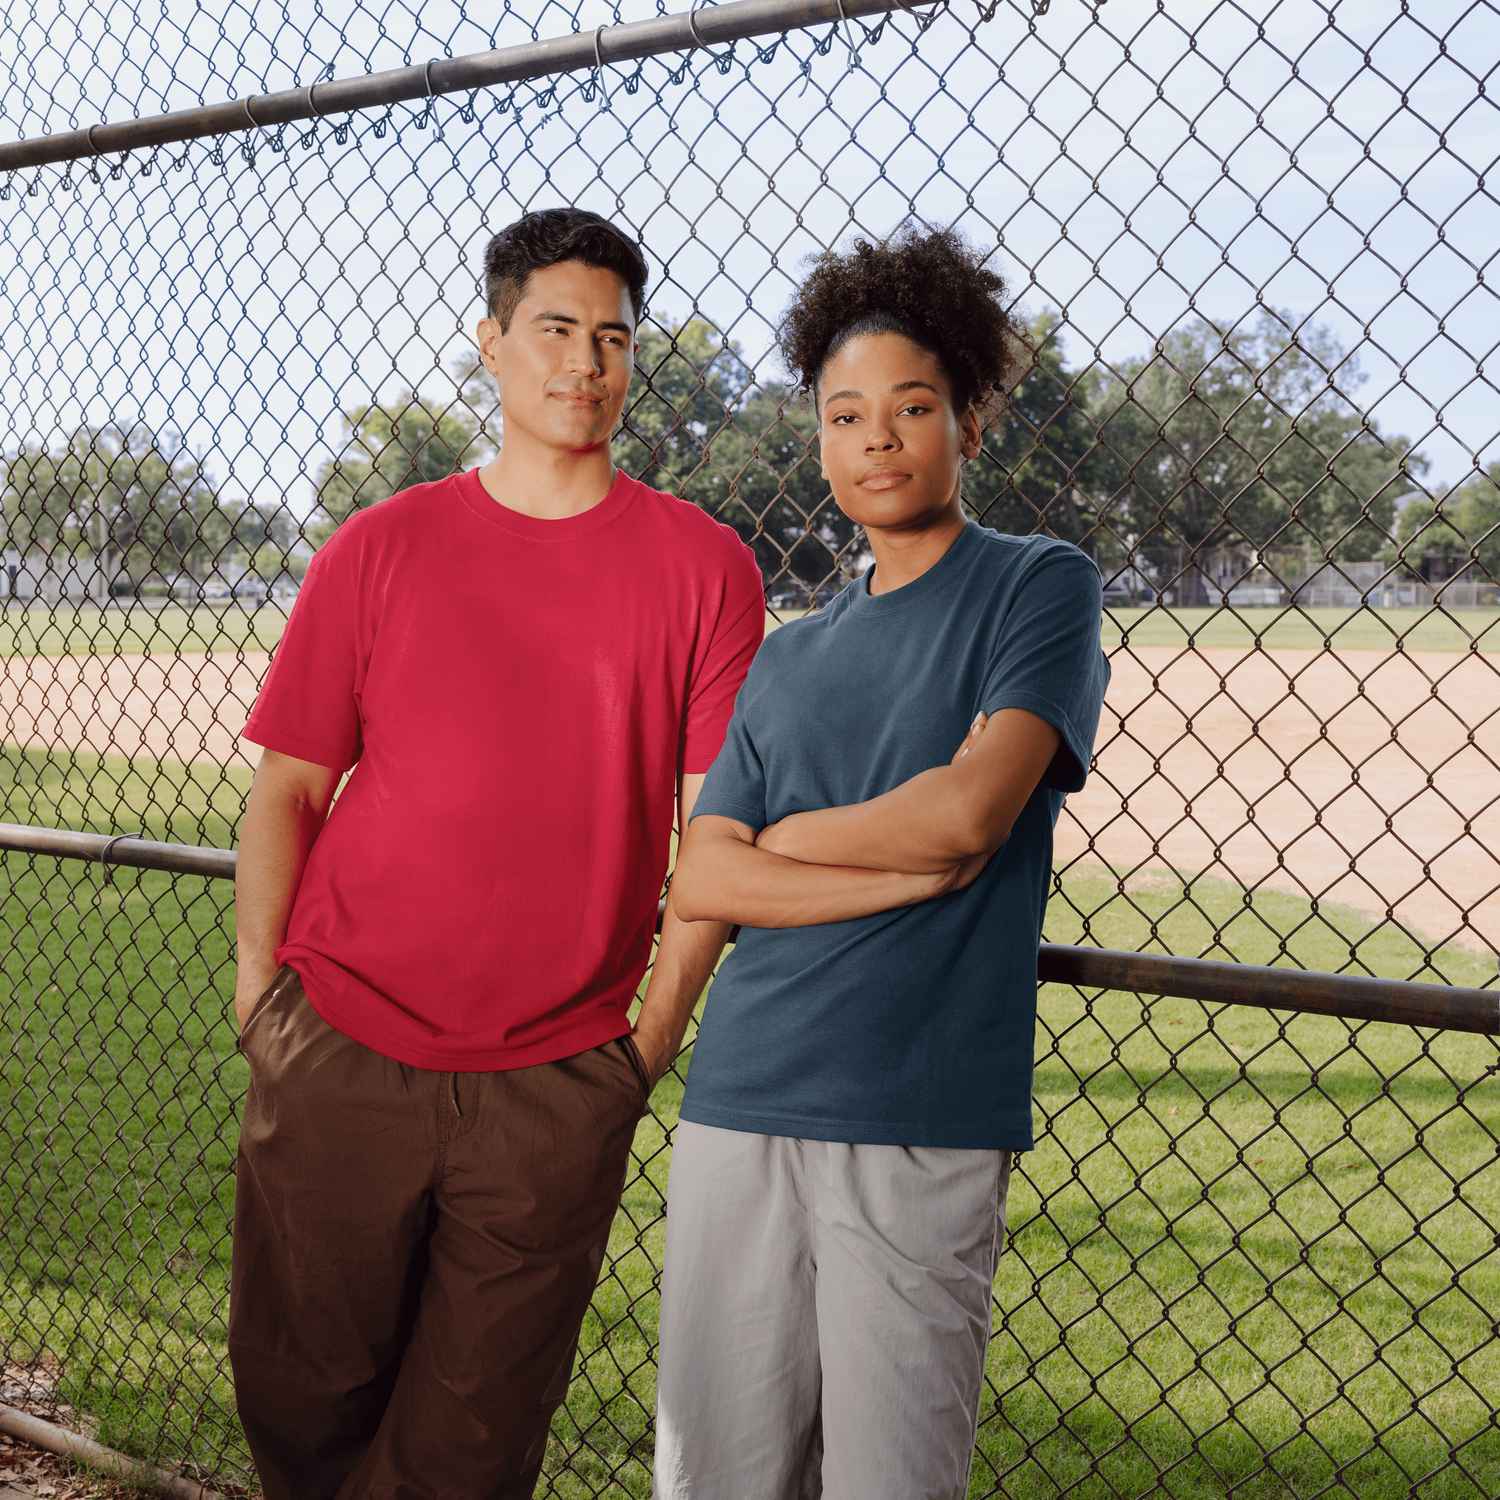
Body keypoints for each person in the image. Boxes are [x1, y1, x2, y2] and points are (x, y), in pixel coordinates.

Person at [228, 206, 763, 1499]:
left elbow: (718, 841)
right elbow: (290, 789)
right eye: (556, 329)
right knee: (300, 1409)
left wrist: (640, 1052)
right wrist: (260, 998)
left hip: (551, 1080)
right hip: (341, 1042)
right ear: (492, 343)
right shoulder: (381, 547)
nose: (585, 361)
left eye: (614, 337)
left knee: (468, 1457)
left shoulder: (705, 570)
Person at [653, 224, 1111, 1499]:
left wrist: (783, 844)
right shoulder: (789, 653)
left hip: (916, 1108)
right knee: (714, 1475)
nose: (876, 438)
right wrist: (878, 860)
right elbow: (704, 881)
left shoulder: (1037, 588)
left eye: (912, 406)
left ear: (971, 414)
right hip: (741, 1096)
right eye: (843, 413)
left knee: (891, 1477)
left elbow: (969, 814)